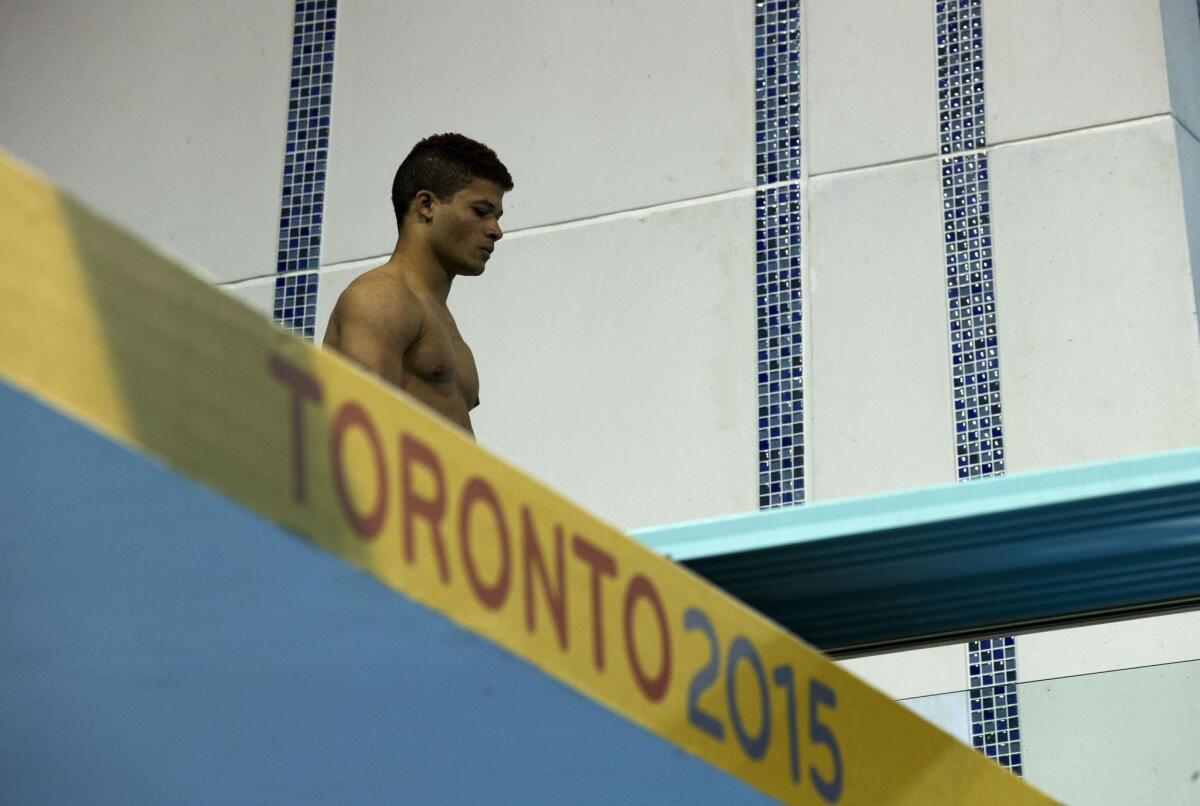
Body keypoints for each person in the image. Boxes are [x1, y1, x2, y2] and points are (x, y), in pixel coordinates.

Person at [323, 133, 512, 438]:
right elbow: (360, 429)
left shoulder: (442, 321)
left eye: (497, 216)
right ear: (426, 205)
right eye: (481, 211)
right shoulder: (381, 297)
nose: (496, 230)